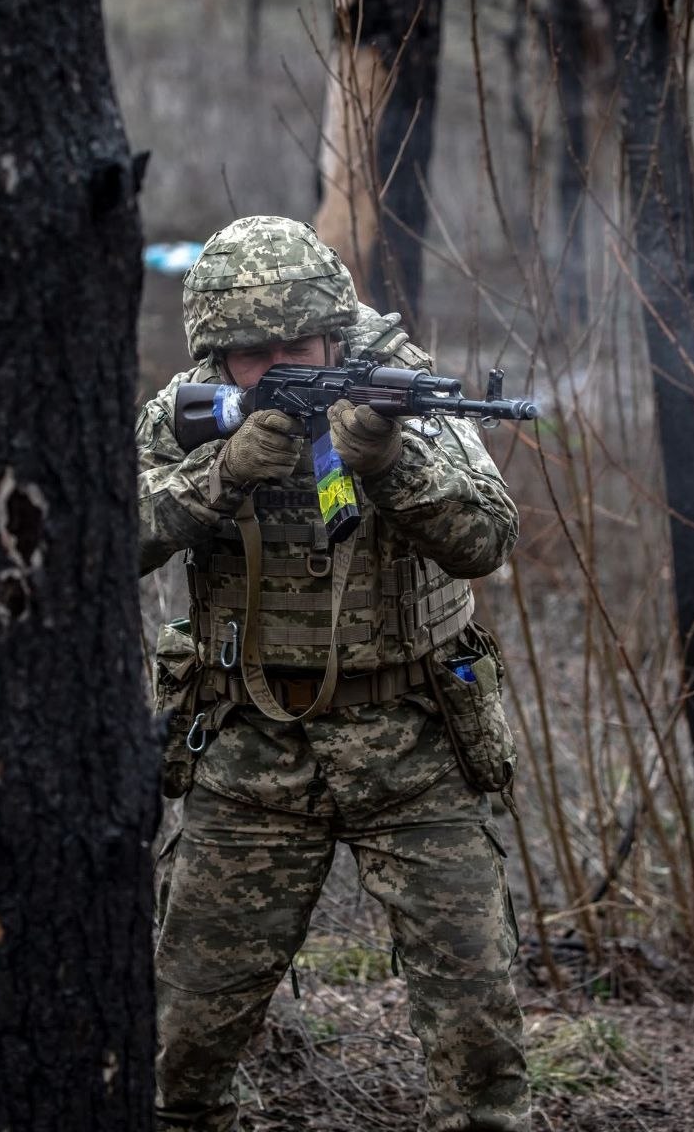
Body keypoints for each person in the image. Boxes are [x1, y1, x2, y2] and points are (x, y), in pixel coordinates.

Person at [137, 215, 530, 1132]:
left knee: (480, 1051)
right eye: (254, 353)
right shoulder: (184, 412)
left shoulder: (402, 397)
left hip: (415, 742)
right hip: (247, 753)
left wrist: (386, 464)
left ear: (333, 333)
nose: (278, 364)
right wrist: (218, 476)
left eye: (299, 345)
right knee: (182, 1051)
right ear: (215, 353)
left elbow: (487, 539)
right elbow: (101, 540)